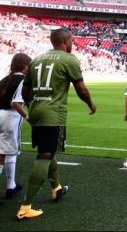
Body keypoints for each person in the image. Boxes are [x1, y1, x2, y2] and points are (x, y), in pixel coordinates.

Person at [17, 29, 97, 221]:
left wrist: (33, 106)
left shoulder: (36, 60)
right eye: (71, 40)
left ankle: (56, 188)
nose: (73, 43)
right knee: (44, 156)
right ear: (63, 40)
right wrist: (90, 104)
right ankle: (26, 206)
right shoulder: (70, 59)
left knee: (47, 151)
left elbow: (26, 92)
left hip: (36, 112)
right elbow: (81, 89)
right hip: (53, 114)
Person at [0, 53, 31, 201]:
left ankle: (11, 186)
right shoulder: (23, 80)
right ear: (25, 66)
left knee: (3, 152)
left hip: (0, 115)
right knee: (8, 152)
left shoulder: (5, 79)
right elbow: (15, 103)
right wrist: (28, 117)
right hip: (10, 117)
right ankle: (10, 186)